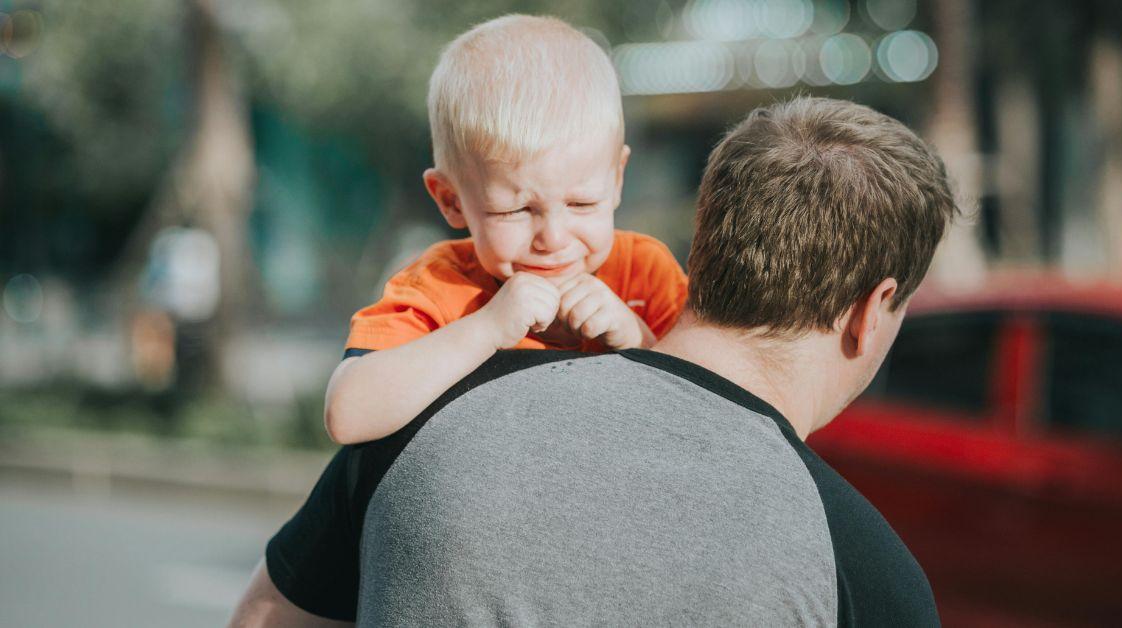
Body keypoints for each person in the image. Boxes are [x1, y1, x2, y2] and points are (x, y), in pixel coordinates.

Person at [229, 96, 957, 627]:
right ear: (871, 309)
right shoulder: (866, 573)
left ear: (706, 241)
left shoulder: (425, 422)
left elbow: (262, 619)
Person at [323, 15, 689, 445]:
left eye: (581, 203)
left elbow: (714, 414)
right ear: (450, 200)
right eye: (515, 210)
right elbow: (348, 415)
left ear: (617, 179)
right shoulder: (440, 287)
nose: (553, 239)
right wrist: (486, 328)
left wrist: (638, 340)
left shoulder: (645, 274)